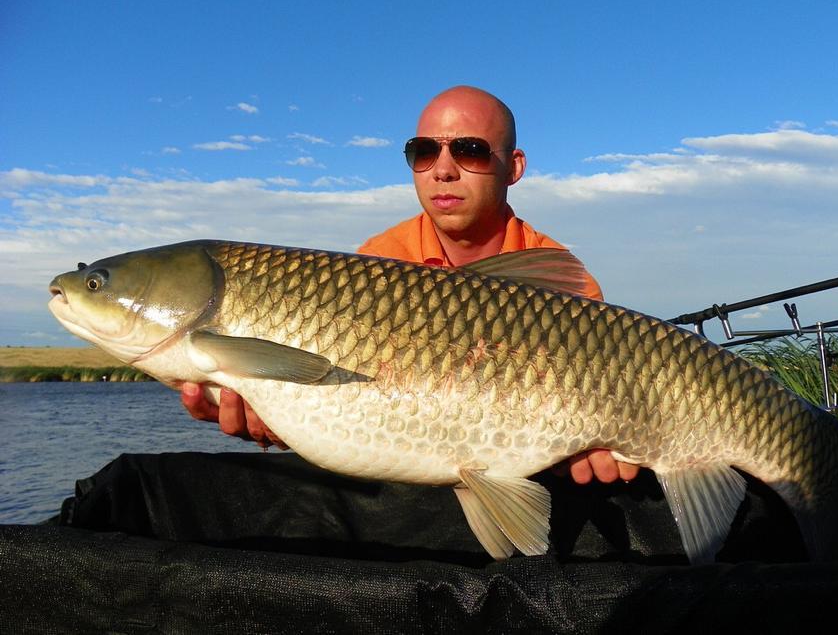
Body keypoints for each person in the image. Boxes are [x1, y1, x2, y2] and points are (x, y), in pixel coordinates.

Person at [181, 85, 639, 484]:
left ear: (513, 167)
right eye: (424, 151)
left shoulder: (561, 284)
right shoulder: (377, 264)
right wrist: (274, 425)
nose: (442, 169)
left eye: (470, 151)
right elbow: (341, 415)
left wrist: (593, 445)